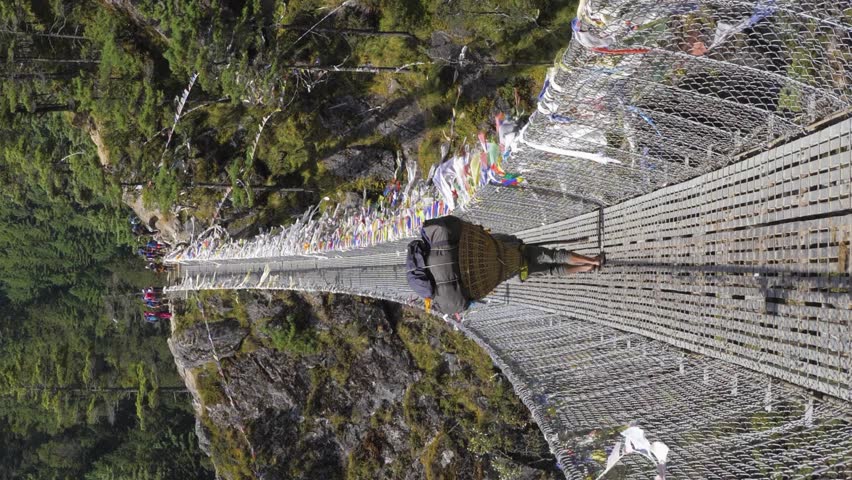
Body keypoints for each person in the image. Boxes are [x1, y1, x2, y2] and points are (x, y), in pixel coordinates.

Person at [406, 216, 602, 316]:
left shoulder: (444, 292)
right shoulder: (438, 245)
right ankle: (592, 260)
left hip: (517, 271)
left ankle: (586, 268)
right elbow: (509, 239)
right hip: (519, 251)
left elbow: (469, 301)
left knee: (553, 270)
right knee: (554, 255)